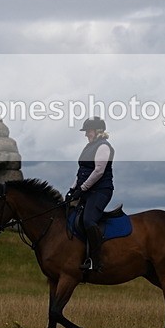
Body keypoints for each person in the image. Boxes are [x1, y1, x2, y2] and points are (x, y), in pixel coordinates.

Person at [69, 116, 115, 272]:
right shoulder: (89, 147)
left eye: (88, 131)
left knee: (88, 220)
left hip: (101, 191)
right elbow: (81, 172)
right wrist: (72, 189)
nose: (86, 134)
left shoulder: (104, 147)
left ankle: (96, 261)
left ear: (97, 131)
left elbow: (98, 171)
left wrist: (82, 188)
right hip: (87, 189)